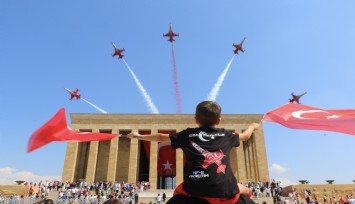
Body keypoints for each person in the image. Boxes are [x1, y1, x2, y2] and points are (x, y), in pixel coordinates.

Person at [128, 101, 259, 204]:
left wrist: (139, 136)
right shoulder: (226, 135)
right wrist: (253, 126)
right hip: (224, 189)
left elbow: (161, 137)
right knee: (241, 188)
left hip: (195, 188)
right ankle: (248, 191)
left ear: (196, 119)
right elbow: (246, 136)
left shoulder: (188, 134)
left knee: (179, 192)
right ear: (219, 121)